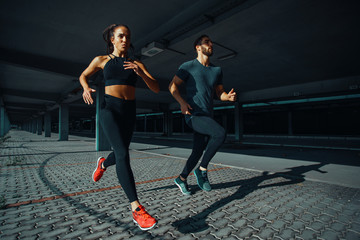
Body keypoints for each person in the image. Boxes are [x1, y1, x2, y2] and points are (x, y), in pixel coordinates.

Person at [79, 24, 159, 230]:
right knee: (123, 154)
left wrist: (141, 73)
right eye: (121, 36)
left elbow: (156, 88)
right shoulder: (102, 60)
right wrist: (86, 87)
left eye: (128, 37)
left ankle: (103, 164)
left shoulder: (136, 63)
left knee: (120, 152)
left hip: (129, 112)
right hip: (109, 109)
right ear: (112, 40)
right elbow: (83, 75)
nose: (125, 40)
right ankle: (136, 209)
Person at [169, 35, 237, 195]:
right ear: (198, 47)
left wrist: (227, 97)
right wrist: (182, 103)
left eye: (211, 42)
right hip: (193, 114)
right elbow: (172, 85)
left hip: (207, 116)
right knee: (220, 133)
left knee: (198, 151)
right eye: (207, 42)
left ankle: (181, 178)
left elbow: (219, 92)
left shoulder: (216, 70)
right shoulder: (188, 66)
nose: (211, 44)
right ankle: (202, 170)